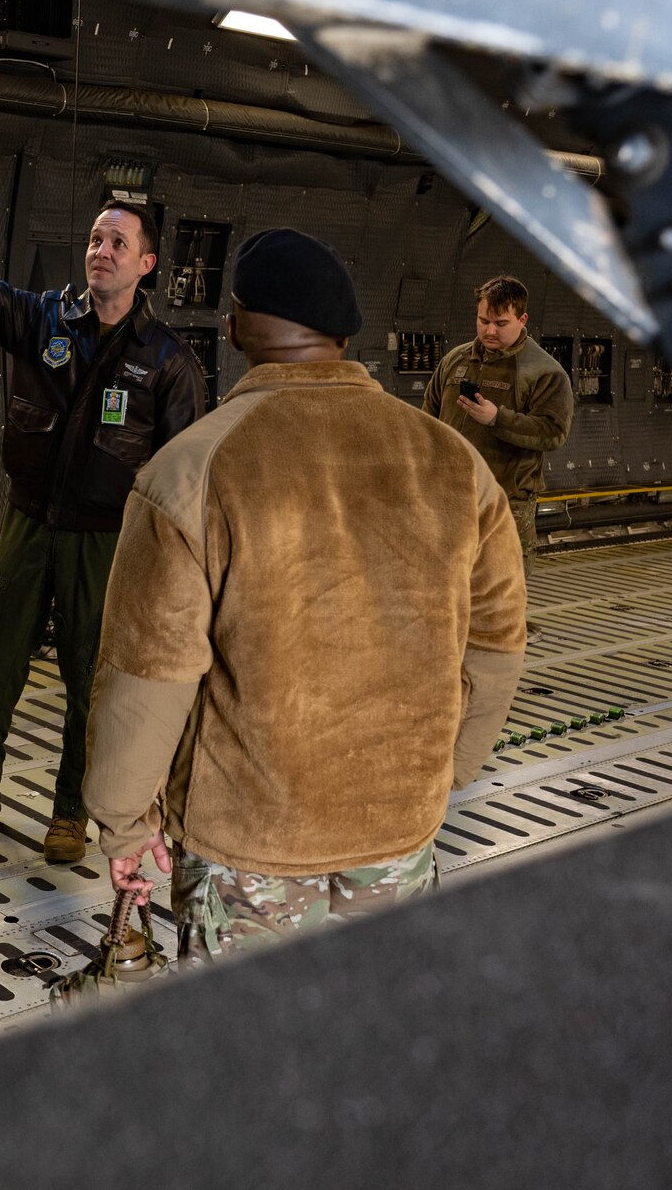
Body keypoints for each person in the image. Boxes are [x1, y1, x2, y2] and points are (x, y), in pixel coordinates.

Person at [82, 229, 527, 961]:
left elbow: (149, 674)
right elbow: (497, 645)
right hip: (399, 828)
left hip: (249, 843)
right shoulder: (456, 463)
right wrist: (445, 770)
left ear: (234, 329)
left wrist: (125, 823)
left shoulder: (189, 471)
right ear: (346, 335)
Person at [0, 122, 207, 863]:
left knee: (89, 678)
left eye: (117, 243)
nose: (100, 250)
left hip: (105, 540)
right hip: (29, 520)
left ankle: (71, 810)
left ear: (146, 263)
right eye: (95, 239)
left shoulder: (168, 362)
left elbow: (183, 475)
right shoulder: (44, 317)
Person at [422, 274, 575, 638]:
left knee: (503, 580)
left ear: (522, 320)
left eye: (501, 323)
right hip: (451, 494)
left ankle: (502, 642)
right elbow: (428, 418)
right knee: (447, 573)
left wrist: (497, 419)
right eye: (483, 321)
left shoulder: (543, 372)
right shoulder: (456, 360)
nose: (489, 331)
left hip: (507, 497)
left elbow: (553, 432)